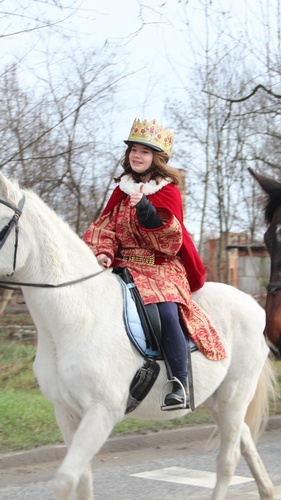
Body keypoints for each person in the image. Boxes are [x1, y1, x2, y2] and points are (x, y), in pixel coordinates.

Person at [83, 118, 226, 410]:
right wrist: (104, 253)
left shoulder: (168, 190)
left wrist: (146, 211)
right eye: (134, 150)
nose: (137, 155)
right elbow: (105, 228)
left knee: (165, 312)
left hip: (160, 265)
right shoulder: (120, 191)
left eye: (144, 152)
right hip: (123, 265)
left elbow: (171, 239)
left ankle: (179, 383)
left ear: (156, 159)